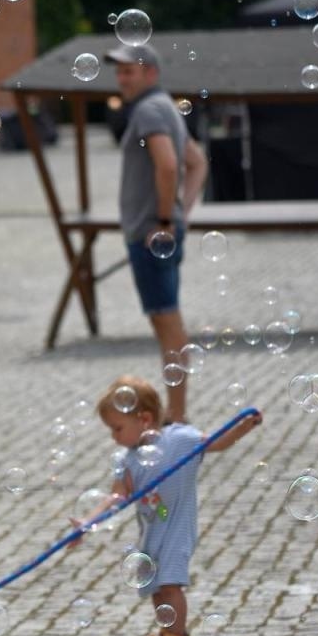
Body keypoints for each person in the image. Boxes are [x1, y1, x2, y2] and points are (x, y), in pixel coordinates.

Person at [72, 375, 261, 636]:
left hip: (176, 528)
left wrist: (244, 427)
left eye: (117, 428)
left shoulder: (180, 439)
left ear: (144, 418)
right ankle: (166, 630)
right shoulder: (126, 459)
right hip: (151, 531)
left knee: (170, 584)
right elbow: (117, 496)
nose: (114, 437)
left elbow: (216, 443)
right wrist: (88, 522)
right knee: (157, 588)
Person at [104, 45, 209, 423]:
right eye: (119, 72)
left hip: (152, 234)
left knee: (167, 323)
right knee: (166, 321)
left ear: (150, 73)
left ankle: (177, 415)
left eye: (129, 71)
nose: (122, 79)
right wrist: (181, 212)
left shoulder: (149, 110)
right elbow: (197, 163)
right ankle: (176, 411)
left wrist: (166, 220)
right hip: (159, 230)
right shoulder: (164, 107)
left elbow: (167, 165)